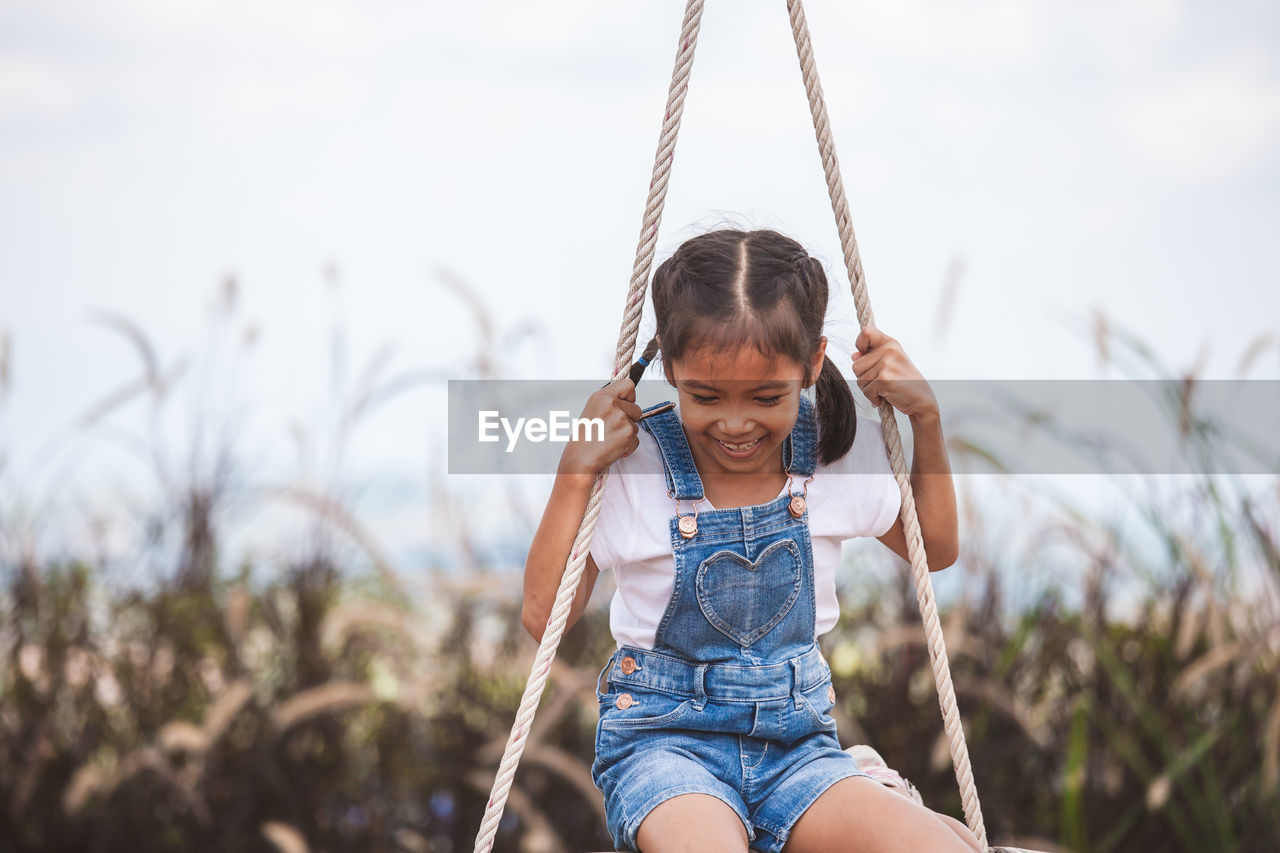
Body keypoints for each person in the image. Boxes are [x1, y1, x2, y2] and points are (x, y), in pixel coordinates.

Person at [522, 228, 980, 853]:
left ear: (813, 364)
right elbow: (543, 617)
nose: (735, 424)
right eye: (704, 396)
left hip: (798, 750)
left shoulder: (834, 452)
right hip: (666, 748)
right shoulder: (635, 468)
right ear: (668, 370)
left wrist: (925, 419)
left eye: (767, 397)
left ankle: (869, 784)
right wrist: (574, 476)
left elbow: (937, 548)